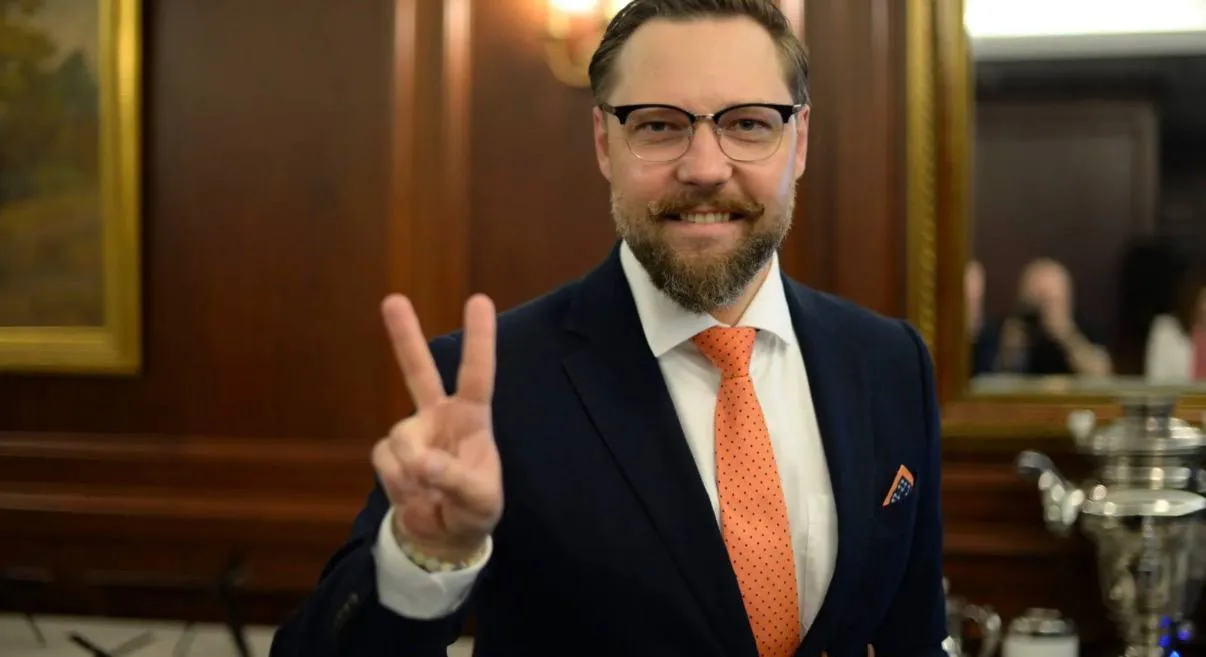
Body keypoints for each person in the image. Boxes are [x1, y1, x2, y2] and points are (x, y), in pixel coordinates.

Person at [269, 1, 947, 656]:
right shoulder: (493, 386)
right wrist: (424, 558)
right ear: (605, 143)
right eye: (658, 126)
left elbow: (912, 638)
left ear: (799, 141)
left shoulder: (890, 363)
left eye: (747, 123)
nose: (705, 168)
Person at [978, 258, 1112, 377]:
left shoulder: (1084, 331)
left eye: (1051, 301)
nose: (1043, 311)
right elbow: (982, 380)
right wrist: (1009, 351)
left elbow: (1102, 374)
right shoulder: (1003, 331)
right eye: (1036, 301)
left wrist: (1067, 337)